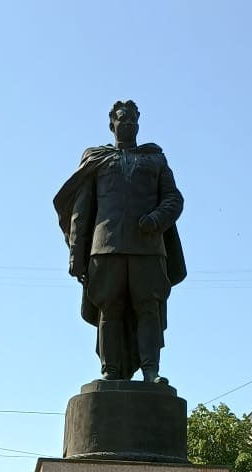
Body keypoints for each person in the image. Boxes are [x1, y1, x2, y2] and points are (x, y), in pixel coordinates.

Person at [53, 100, 186, 382]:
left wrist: (155, 219)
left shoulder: (155, 159)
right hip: (105, 249)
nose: (127, 125)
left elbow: (174, 199)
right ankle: (110, 370)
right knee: (109, 308)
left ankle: (151, 371)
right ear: (112, 124)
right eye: (122, 120)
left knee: (148, 309)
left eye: (132, 121)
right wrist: (77, 256)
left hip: (148, 249)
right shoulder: (97, 160)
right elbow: (82, 211)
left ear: (138, 124)